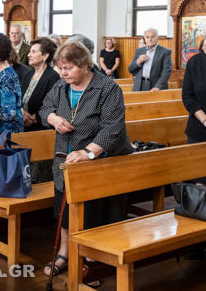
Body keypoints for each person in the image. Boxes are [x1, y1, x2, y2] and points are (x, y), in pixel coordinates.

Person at [40, 41, 132, 277]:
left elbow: (112, 129)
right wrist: (53, 119)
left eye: (68, 68)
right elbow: (45, 108)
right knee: (65, 208)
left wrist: (88, 153)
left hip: (98, 160)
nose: (63, 73)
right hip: (65, 157)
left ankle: (93, 259)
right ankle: (64, 252)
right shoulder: (61, 86)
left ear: (84, 65)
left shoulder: (107, 88)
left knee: (93, 211)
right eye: (60, 68)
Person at [21, 37, 60, 131]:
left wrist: (34, 118)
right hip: (23, 125)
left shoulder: (53, 76)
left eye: (33, 52)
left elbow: (54, 105)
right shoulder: (28, 74)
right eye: (30, 51)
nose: (29, 55)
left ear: (45, 56)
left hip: (41, 128)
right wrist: (22, 111)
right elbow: (19, 97)